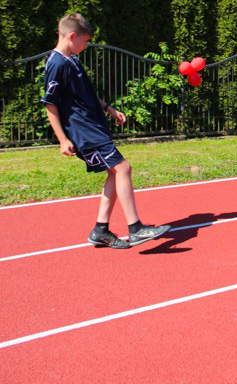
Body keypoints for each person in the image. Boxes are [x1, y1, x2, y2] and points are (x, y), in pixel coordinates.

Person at [41, 13, 171, 249]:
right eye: (84, 40)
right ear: (72, 36)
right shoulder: (57, 63)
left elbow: (86, 94)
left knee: (115, 172)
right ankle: (136, 229)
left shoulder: (71, 60)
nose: (86, 45)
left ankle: (100, 230)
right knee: (123, 168)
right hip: (83, 132)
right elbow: (50, 103)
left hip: (94, 127)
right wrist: (62, 139)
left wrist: (109, 108)